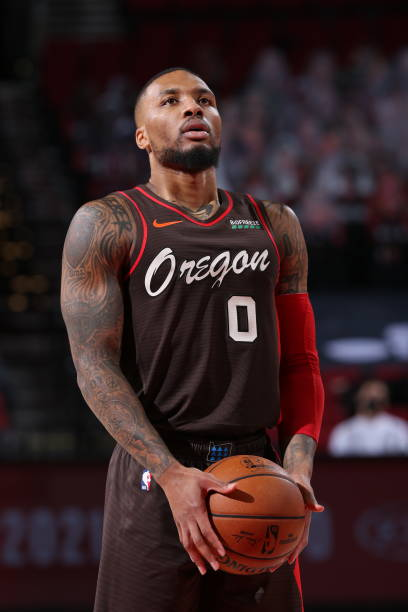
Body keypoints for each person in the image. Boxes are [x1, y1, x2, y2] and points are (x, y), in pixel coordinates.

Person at [61, 67, 325, 612]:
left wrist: (297, 468)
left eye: (205, 99)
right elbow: (93, 366)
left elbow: (300, 362)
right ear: (141, 136)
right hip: (158, 467)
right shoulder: (107, 223)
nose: (193, 107)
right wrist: (169, 473)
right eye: (171, 100)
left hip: (257, 470)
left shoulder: (275, 223)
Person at [328, 379, 408, 456]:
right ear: (358, 397)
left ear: (386, 399)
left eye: (378, 394)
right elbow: (336, 458)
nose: (372, 397)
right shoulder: (344, 429)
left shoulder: (399, 427)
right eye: (368, 394)